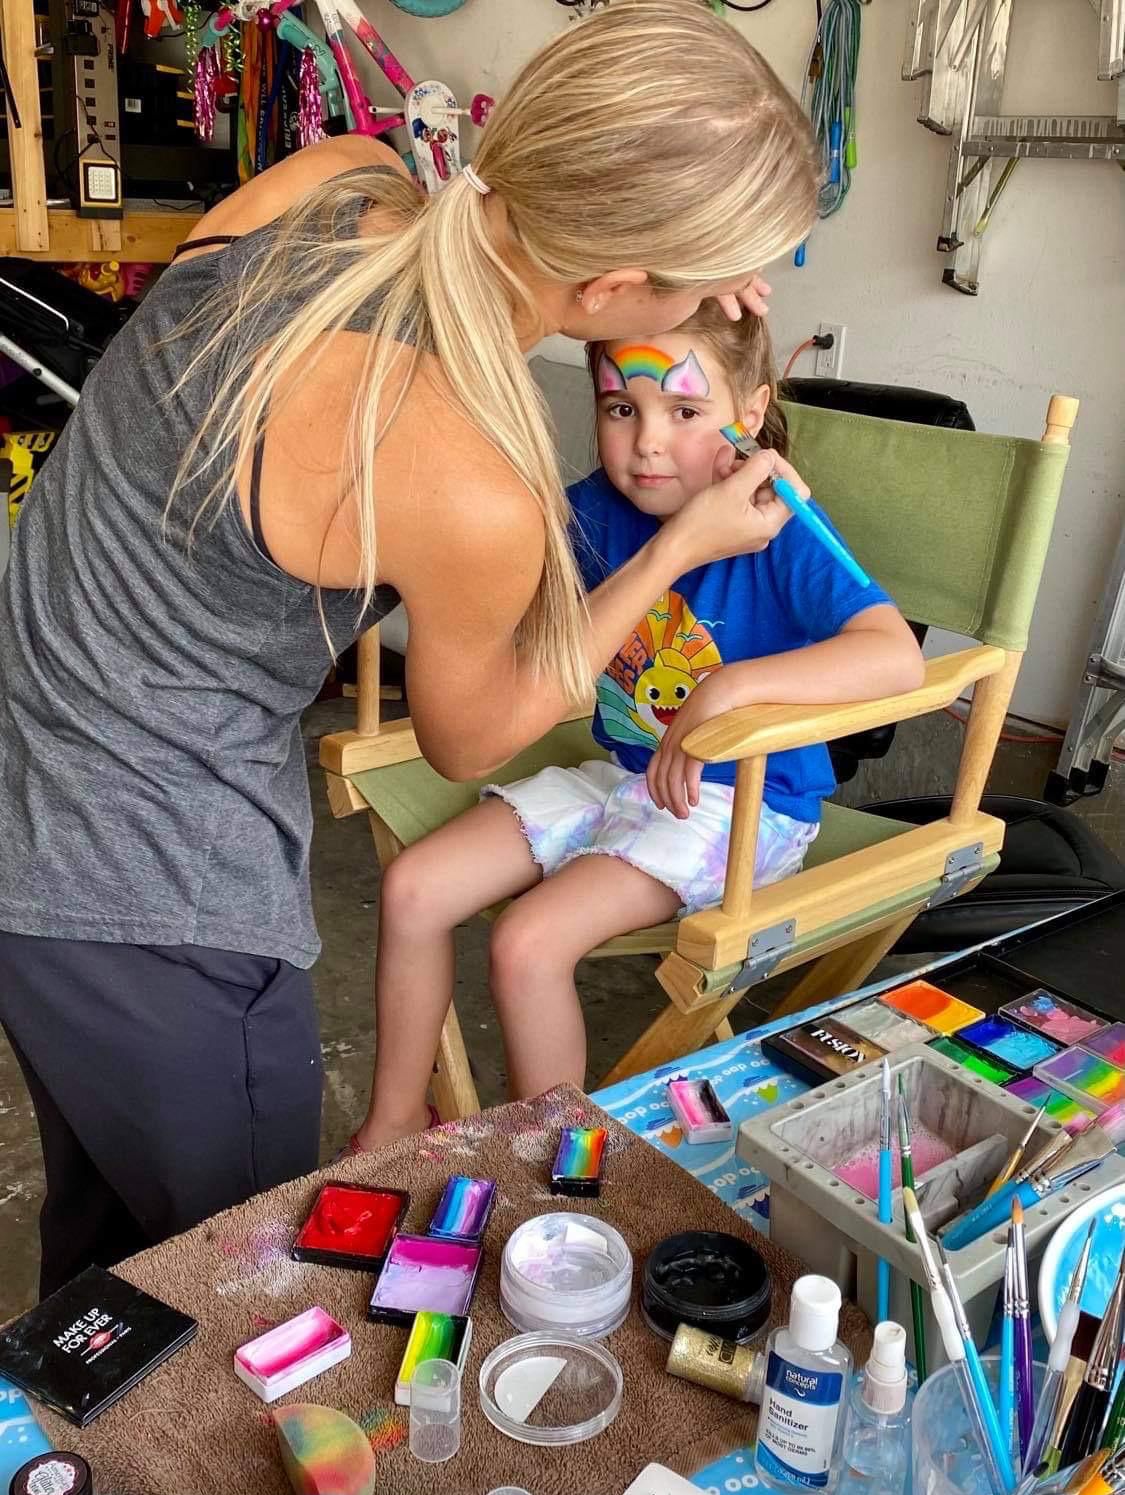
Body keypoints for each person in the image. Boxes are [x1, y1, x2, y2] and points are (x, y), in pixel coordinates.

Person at [0, 0, 823, 1298]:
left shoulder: (341, 185)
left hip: (23, 805)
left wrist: (666, 269)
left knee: (107, 1261)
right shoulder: (463, 469)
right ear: (610, 292)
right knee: (245, 1284)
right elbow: (473, 735)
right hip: (152, 891)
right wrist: (674, 551)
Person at [352, 304, 925, 1150]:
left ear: (750, 414)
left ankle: (559, 1164)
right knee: (412, 889)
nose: (647, 442)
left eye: (684, 412)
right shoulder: (593, 511)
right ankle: (395, 1123)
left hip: (742, 809)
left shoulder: (780, 526)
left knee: (527, 942)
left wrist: (726, 689)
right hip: (619, 773)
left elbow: (895, 659)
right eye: (621, 408)